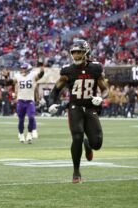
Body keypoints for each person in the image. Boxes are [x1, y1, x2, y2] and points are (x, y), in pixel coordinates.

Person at [48, 39, 109, 184]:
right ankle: (76, 171)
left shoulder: (95, 68)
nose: (76, 55)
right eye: (74, 52)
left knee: (97, 144)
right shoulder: (68, 70)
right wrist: (52, 103)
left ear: (86, 53)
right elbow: (56, 89)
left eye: (79, 52)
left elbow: (105, 89)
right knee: (77, 137)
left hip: (90, 108)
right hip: (74, 107)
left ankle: (88, 145)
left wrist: (101, 98)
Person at [14, 63, 45, 143]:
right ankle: (21, 135)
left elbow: (40, 75)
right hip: (20, 100)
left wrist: (42, 69)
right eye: (22, 68)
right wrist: (6, 77)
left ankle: (29, 133)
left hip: (29, 101)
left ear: (28, 69)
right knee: (21, 120)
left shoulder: (33, 75)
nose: (23, 70)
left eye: (24, 68)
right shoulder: (17, 75)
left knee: (31, 117)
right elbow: (10, 82)